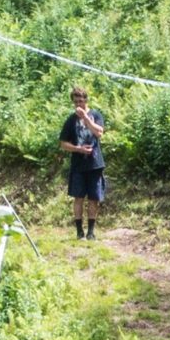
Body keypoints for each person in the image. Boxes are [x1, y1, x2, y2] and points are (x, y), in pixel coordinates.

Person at [57, 86, 107, 238]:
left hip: (95, 163)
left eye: (81, 100)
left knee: (94, 198)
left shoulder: (95, 115)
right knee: (78, 197)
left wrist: (85, 117)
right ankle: (79, 232)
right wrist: (78, 149)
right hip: (78, 165)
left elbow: (99, 133)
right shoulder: (70, 121)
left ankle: (91, 232)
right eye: (76, 102)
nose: (79, 104)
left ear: (86, 100)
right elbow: (63, 144)